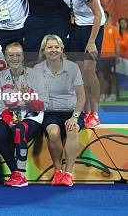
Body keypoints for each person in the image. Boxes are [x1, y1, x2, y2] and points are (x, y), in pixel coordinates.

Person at [57, 0, 105, 128]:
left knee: (89, 71)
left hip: (94, 28)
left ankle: (95, 112)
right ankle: (84, 111)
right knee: (78, 73)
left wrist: (92, 41)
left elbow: (99, 14)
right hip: (76, 28)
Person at [35, 34, 86, 187]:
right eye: (49, 47)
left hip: (72, 111)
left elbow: (82, 97)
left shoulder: (73, 67)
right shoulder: (37, 69)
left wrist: (75, 117)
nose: (53, 50)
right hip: (50, 113)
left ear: (62, 49)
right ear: (43, 50)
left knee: (72, 129)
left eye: (56, 47)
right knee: (53, 132)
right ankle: (58, 171)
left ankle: (68, 173)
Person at [0, 42, 46, 187]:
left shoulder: (35, 75)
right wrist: (8, 119)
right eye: (11, 55)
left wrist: (29, 98)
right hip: (11, 117)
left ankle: (21, 175)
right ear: (5, 57)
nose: (14, 58)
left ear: (23, 57)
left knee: (19, 130)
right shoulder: (0, 77)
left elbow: (42, 104)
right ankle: (15, 173)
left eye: (18, 55)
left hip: (32, 117)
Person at [98, 12, 119, 102]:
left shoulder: (113, 29)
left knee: (111, 76)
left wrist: (117, 56)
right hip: (100, 57)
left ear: (107, 17)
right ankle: (103, 94)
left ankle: (113, 95)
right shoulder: (98, 29)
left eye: (105, 16)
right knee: (101, 76)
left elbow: (116, 43)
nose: (104, 18)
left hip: (110, 56)